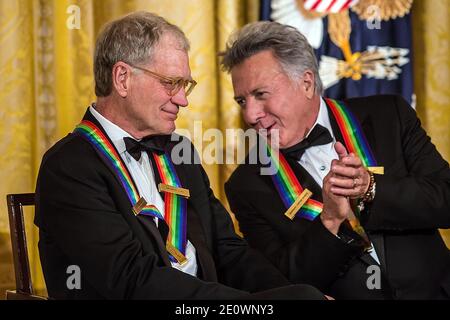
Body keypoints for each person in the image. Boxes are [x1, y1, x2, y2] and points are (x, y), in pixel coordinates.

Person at [34, 12, 325, 300]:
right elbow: (130, 278)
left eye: (185, 85)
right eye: (170, 83)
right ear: (122, 78)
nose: (182, 99)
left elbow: (229, 252)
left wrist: (286, 293)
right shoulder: (68, 166)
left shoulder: (178, 151)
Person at [221, 21, 450, 299]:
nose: (250, 115)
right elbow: (283, 283)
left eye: (260, 94)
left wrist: (371, 188)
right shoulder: (245, 184)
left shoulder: (388, 115)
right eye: (242, 101)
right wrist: (329, 221)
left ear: (306, 83)